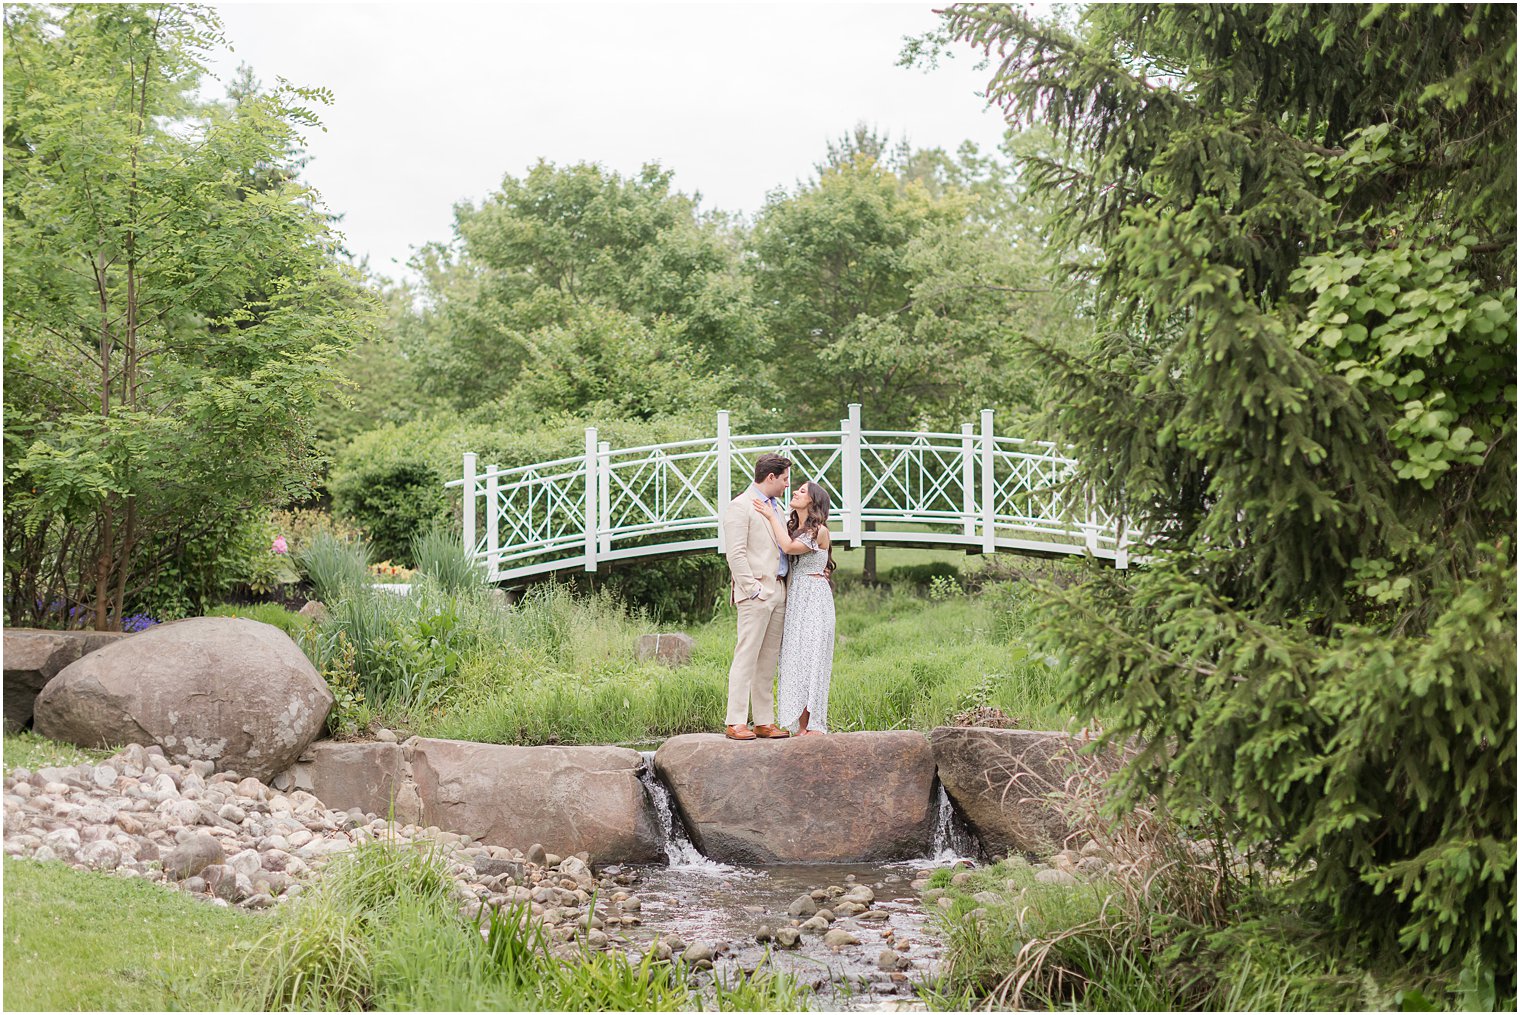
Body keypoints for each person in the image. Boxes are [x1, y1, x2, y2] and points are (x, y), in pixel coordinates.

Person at [752, 480, 836, 737]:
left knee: (812, 659)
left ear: (812, 501)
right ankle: (800, 726)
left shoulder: (819, 530)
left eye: (802, 491)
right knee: (795, 660)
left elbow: (788, 548)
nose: (796, 492)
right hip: (796, 597)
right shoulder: (793, 526)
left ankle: (813, 725)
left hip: (815, 598)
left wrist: (769, 515)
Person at [719, 453, 794, 741]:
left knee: (768, 659)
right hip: (757, 592)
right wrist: (753, 589)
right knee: (746, 655)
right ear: (771, 477)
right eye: (785, 479)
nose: (788, 484)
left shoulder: (778, 509)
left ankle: (764, 721)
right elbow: (735, 554)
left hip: (779, 590)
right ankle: (735, 720)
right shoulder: (740, 507)